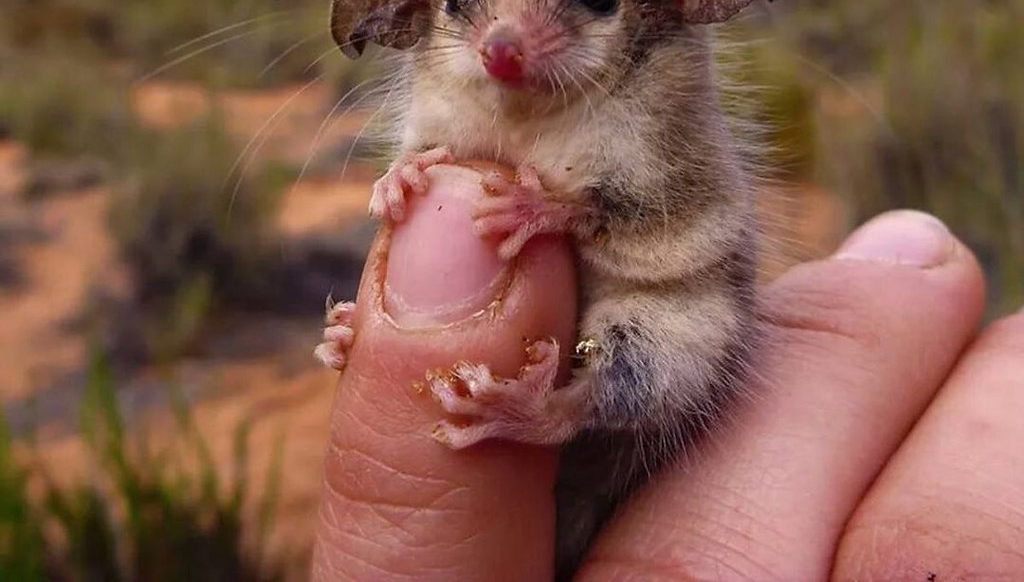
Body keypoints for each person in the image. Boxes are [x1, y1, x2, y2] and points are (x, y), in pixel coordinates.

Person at [311, 163, 1024, 580]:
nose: (501, 44)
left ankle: (558, 406)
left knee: (661, 343)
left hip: (636, 362)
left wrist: (574, 211)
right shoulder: (449, 110)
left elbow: (689, 227)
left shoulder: (657, 118)